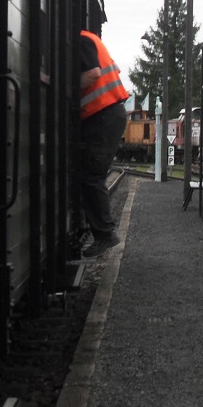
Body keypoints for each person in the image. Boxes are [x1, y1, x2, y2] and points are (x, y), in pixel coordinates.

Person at [78, 28, 129, 258]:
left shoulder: (81, 40)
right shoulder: (93, 39)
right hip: (107, 114)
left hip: (104, 115)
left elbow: (92, 73)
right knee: (90, 174)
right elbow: (114, 70)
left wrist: (65, 92)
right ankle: (103, 232)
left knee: (91, 176)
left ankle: (105, 234)